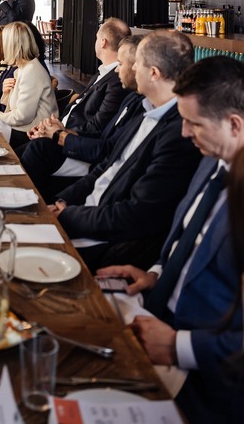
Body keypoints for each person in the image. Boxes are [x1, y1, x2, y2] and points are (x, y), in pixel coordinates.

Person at [96, 55, 244, 423]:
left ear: (234, 125)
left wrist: (179, 347)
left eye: (194, 123)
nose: (184, 132)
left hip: (207, 379)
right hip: (155, 312)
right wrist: (157, 274)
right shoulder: (211, 159)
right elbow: (188, 243)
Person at [49, 31, 201, 272]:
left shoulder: (179, 133)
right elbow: (106, 166)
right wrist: (62, 201)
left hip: (99, 240)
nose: (131, 68)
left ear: (154, 73)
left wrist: (69, 216)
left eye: (137, 62)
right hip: (82, 216)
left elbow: (136, 213)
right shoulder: (144, 108)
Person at [22, 35, 141, 202]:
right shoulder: (133, 98)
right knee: (34, 147)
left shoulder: (129, 95)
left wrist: (61, 135)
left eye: (120, 64)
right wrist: (59, 130)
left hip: (95, 162)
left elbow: (106, 145)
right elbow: (102, 134)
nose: (116, 70)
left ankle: (20, 200)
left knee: (38, 148)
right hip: (84, 144)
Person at [0, 22, 58, 150]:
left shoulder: (31, 70)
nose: (1, 46)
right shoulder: (23, 68)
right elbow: (11, 107)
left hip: (31, 133)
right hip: (23, 128)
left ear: (11, 45)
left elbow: (22, 117)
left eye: (3, 42)